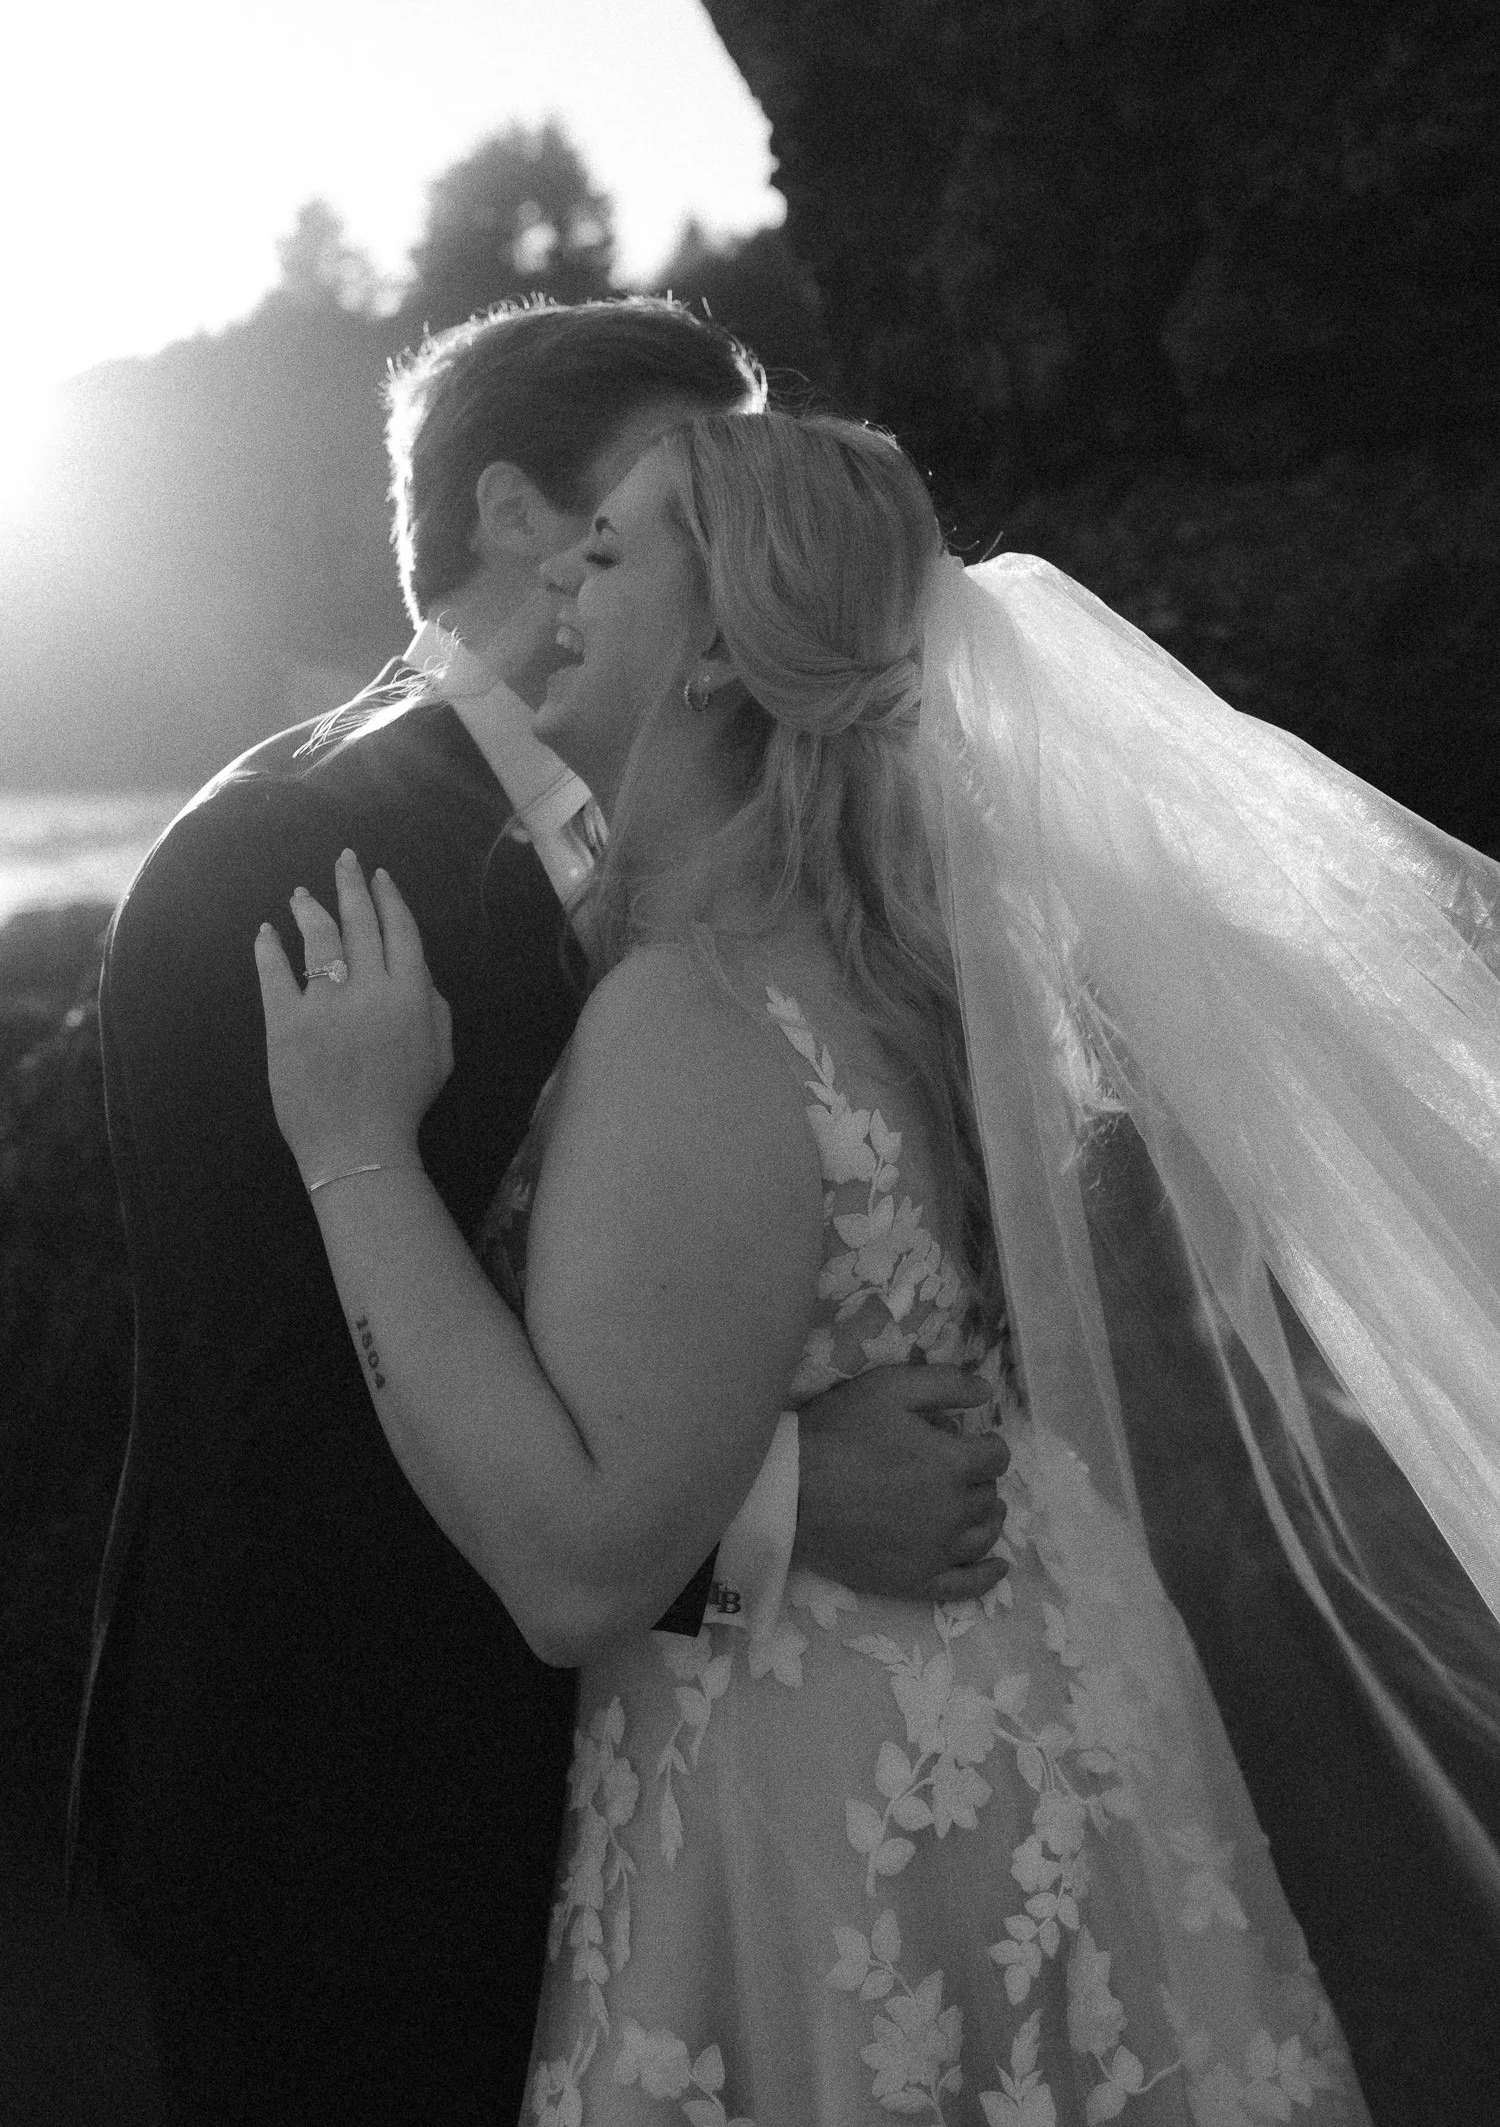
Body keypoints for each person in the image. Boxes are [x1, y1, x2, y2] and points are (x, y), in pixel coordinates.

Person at [256, 409, 1499, 2118]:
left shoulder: (692, 1014)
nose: (556, 572)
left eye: (608, 552)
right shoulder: (894, 982)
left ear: (715, 657)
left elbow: (579, 1565)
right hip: (1014, 1724)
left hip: (825, 1795)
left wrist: (353, 1144)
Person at [68, 309, 1008, 2127]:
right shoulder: (295, 849)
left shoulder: (707, 854)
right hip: (343, 1819)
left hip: (624, 1808)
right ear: (514, 509)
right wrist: (788, 1500)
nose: (661, 539)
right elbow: (279, 1412)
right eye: (656, 493)